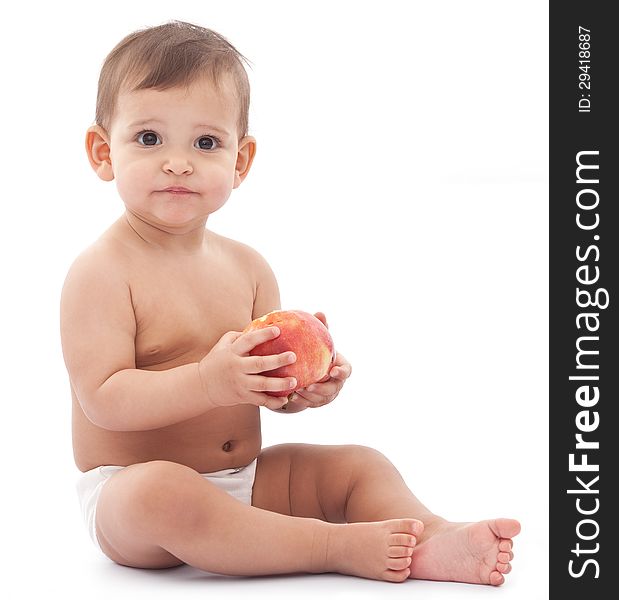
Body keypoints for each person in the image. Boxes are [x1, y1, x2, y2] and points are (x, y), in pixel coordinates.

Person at [61, 20, 520, 585]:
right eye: (150, 138)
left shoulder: (249, 268)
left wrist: (298, 388)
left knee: (358, 464)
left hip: (246, 477)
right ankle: (332, 546)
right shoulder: (101, 273)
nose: (177, 162)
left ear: (240, 161)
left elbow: (259, 390)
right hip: (129, 497)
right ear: (103, 152)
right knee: (164, 491)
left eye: (205, 142)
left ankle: (429, 535)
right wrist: (208, 381)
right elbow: (104, 400)